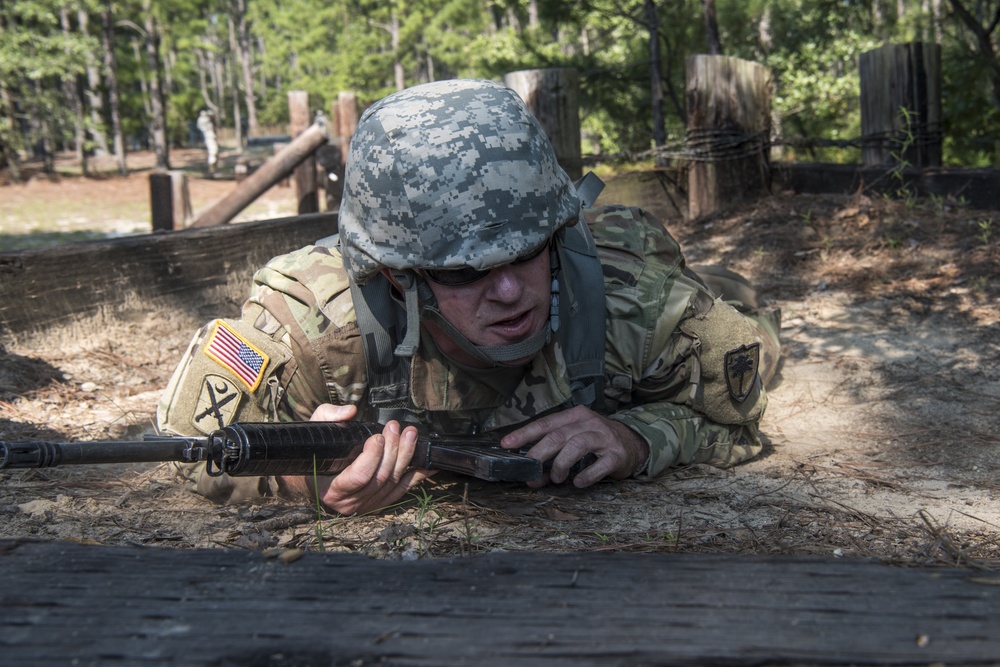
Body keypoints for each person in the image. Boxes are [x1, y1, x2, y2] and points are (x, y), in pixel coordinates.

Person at [157, 79, 781, 516]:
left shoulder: (633, 301)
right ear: (397, 275)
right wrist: (299, 480)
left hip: (643, 281)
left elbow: (739, 412)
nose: (509, 292)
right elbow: (190, 447)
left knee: (750, 318)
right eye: (463, 272)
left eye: (526, 252)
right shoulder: (314, 325)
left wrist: (638, 439)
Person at [196, 109, 219, 174]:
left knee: (214, 152)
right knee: (213, 152)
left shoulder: (208, 122)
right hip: (209, 137)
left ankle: (213, 168)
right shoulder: (205, 121)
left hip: (210, 137)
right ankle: (212, 168)